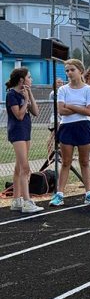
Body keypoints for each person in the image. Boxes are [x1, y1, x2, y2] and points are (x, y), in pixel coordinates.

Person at [50, 59, 90, 206]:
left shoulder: (89, 90)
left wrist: (71, 106)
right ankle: (59, 195)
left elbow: (89, 111)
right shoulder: (62, 90)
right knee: (66, 162)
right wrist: (80, 108)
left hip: (84, 127)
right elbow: (61, 111)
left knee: (84, 162)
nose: (69, 73)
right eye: (67, 70)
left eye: (72, 70)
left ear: (80, 71)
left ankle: (89, 194)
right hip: (67, 127)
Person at [6, 68, 43, 213]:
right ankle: (27, 201)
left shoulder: (25, 93)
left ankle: (16, 200)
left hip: (26, 132)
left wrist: (30, 95)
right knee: (25, 168)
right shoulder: (12, 95)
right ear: (22, 80)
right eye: (29, 77)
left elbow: (36, 112)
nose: (31, 79)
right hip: (17, 133)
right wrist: (25, 100)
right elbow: (19, 116)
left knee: (18, 168)